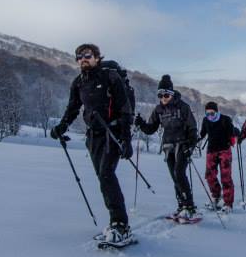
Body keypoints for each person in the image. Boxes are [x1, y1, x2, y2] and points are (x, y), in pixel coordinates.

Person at [52, 43, 133, 243]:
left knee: (106, 175)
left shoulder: (110, 77)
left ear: (97, 56)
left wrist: (126, 138)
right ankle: (116, 222)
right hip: (93, 136)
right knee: (102, 177)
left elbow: (125, 108)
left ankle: (120, 225)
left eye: (87, 55)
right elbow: (73, 108)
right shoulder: (79, 82)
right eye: (79, 57)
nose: (83, 59)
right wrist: (61, 126)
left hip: (112, 133)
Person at [136, 75, 200, 222]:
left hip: (182, 145)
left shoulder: (183, 107)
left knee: (179, 173)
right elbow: (151, 128)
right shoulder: (158, 109)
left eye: (166, 94)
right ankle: (181, 206)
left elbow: (192, 127)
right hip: (168, 146)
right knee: (174, 177)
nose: (163, 97)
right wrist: (141, 124)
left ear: (171, 93)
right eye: (160, 95)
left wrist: (190, 145)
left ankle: (189, 207)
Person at [199, 101, 238, 213]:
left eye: (212, 113)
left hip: (224, 150)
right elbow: (202, 133)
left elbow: (232, 133)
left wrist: (236, 132)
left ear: (216, 112)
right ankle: (216, 197)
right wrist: (195, 139)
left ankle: (228, 203)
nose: (210, 116)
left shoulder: (225, 119)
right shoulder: (206, 120)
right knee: (209, 175)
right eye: (208, 114)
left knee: (226, 177)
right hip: (211, 150)